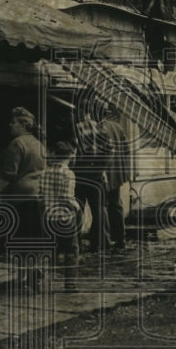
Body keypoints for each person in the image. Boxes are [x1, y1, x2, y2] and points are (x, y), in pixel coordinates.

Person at [0, 106, 46, 252]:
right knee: (31, 244)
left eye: (14, 122)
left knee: (13, 244)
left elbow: (9, 174)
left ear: (24, 125)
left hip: (16, 199)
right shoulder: (39, 144)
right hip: (34, 197)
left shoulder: (17, 143)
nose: (10, 125)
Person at [38, 141, 81, 291]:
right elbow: (67, 197)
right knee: (72, 250)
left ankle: (39, 280)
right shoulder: (68, 173)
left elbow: (40, 196)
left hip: (48, 217)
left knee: (49, 250)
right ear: (70, 156)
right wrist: (77, 208)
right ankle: (70, 284)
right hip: (64, 217)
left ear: (55, 155)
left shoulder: (44, 172)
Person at [72, 107, 109, 257]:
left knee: (78, 210)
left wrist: (73, 168)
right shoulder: (100, 128)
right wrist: (101, 169)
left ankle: (77, 245)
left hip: (80, 175)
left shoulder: (76, 128)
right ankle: (97, 245)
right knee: (98, 211)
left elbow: (73, 153)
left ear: (81, 112)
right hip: (96, 176)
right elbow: (109, 150)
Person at [98, 105, 131, 252]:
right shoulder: (117, 127)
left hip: (103, 172)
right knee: (116, 204)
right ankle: (120, 239)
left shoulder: (98, 128)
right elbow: (127, 150)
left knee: (101, 206)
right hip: (116, 172)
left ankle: (104, 240)